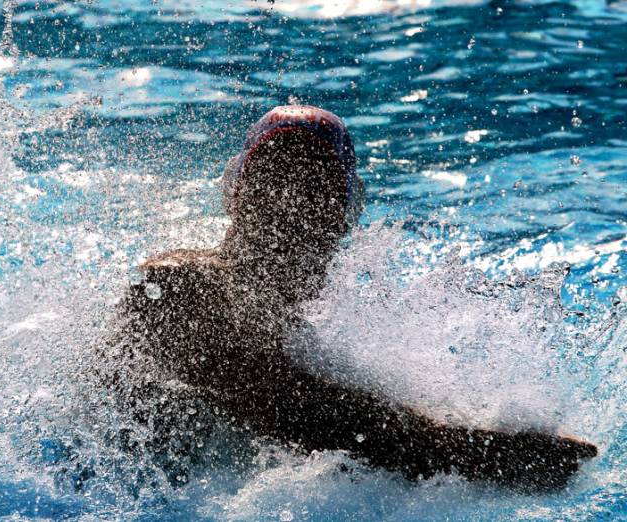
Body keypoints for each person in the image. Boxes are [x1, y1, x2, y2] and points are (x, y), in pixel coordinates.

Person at [106, 105, 597, 492]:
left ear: (340, 221)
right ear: (238, 201)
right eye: (274, 188)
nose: (289, 211)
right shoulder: (174, 288)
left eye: (312, 195)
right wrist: (475, 455)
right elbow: (295, 410)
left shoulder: (295, 336)